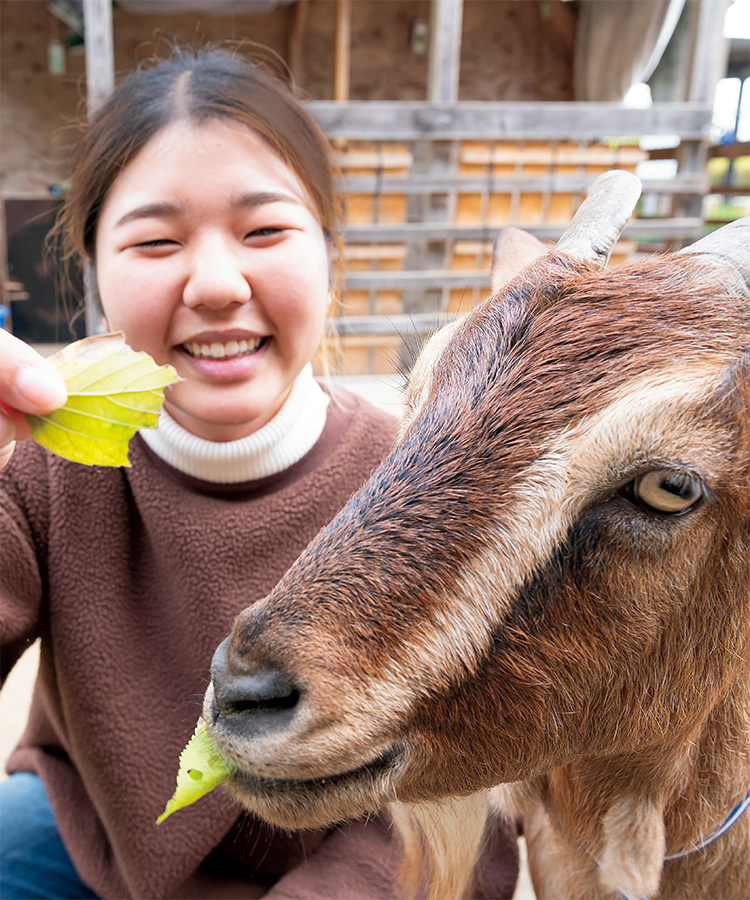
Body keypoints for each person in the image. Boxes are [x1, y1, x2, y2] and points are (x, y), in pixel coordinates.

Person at [0, 48, 520, 900]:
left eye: (265, 231)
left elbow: (462, 804)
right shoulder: (45, 465)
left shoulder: (419, 481)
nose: (213, 283)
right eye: (156, 241)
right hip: (92, 830)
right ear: (93, 271)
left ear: (329, 253)